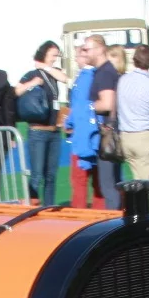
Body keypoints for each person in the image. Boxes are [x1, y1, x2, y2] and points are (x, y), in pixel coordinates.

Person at [116, 43, 149, 217]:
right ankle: (148, 218)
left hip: (125, 136)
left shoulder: (123, 81)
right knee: (145, 185)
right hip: (144, 136)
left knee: (143, 178)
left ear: (134, 60)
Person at [15, 41, 66, 206]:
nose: (55, 59)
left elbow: (64, 78)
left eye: (56, 56)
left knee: (51, 176)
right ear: (44, 54)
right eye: (53, 55)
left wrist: (45, 67)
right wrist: (33, 83)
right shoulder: (31, 74)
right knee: (37, 175)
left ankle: (49, 207)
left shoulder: (53, 73)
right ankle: (32, 206)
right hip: (38, 131)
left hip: (54, 132)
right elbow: (17, 90)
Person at [86, 36, 123, 209]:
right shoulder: (104, 71)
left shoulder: (105, 72)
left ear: (100, 49)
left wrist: (89, 106)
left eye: (87, 49)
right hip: (110, 131)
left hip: (108, 133)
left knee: (108, 185)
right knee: (112, 183)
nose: (85, 53)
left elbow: (107, 103)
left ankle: (115, 220)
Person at [65, 43, 100, 209]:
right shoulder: (98, 75)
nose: (76, 60)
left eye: (77, 56)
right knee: (98, 180)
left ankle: (81, 214)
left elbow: (79, 107)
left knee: (79, 179)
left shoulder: (84, 78)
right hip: (95, 134)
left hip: (82, 136)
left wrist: (68, 122)